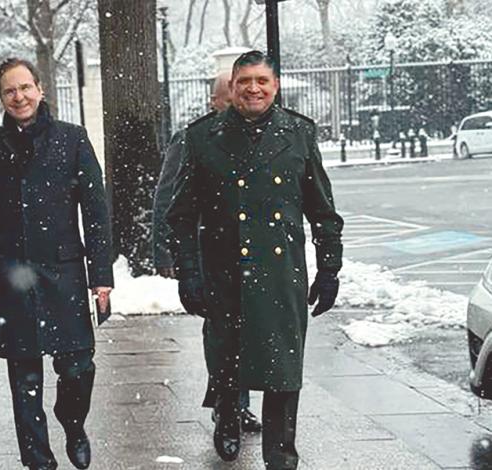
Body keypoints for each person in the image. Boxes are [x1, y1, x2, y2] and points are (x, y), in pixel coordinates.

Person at [166, 50, 343, 469]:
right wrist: (187, 275)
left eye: (262, 80)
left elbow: (322, 210)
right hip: (224, 273)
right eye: (244, 80)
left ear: (275, 86)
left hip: (281, 275)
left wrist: (330, 267)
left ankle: (281, 456)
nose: (253, 88)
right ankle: (227, 412)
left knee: (282, 370)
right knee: (226, 357)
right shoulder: (202, 137)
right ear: (232, 86)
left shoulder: (298, 134)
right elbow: (180, 216)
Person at [0, 58, 114, 470]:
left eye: (25, 87)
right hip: (13, 278)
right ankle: (38, 461)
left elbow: (96, 212)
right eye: (10, 90)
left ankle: (73, 420)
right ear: (1, 97)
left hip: (64, 272)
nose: (20, 96)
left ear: (40, 89)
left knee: (78, 368)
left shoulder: (73, 139)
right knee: (24, 379)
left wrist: (101, 277)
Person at [151, 72, 262, 434]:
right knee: (223, 330)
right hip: (207, 249)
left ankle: (233, 402)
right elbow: (166, 198)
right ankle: (229, 404)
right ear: (215, 102)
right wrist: (166, 254)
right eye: (229, 101)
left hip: (248, 252)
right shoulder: (191, 140)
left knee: (246, 329)